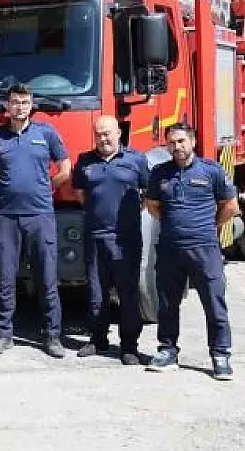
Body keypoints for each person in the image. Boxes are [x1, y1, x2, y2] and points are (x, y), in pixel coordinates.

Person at [144, 123, 238, 380]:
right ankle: (167, 351)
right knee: (167, 304)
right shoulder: (160, 173)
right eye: (172, 142)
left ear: (192, 142)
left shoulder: (211, 171)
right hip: (170, 250)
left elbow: (230, 206)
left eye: (182, 141)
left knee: (214, 303)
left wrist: (209, 226)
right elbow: (153, 205)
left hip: (204, 250)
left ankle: (220, 356)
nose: (177, 147)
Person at [0, 84, 72, 358]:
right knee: (5, 278)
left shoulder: (46, 132)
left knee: (46, 278)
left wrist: (48, 186)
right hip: (6, 217)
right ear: (7, 106)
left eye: (24, 102)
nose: (19, 107)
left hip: (40, 215)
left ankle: (52, 336)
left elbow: (65, 168)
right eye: (14, 102)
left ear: (31, 104)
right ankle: (3, 334)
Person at [71, 116, 149, 365]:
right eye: (99, 134)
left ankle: (129, 346)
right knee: (96, 292)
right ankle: (97, 339)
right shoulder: (85, 161)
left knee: (127, 292)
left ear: (119, 133)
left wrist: (129, 216)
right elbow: (81, 193)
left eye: (108, 133)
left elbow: (148, 194)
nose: (103, 138)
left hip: (125, 239)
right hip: (95, 236)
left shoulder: (135, 160)